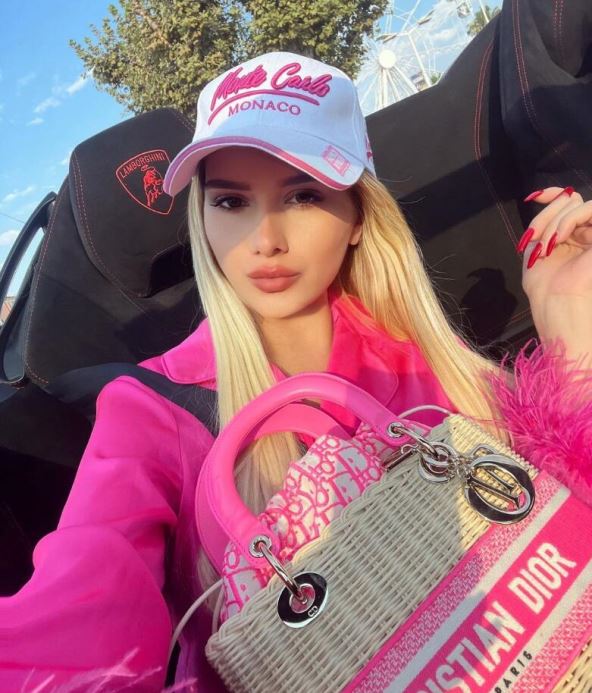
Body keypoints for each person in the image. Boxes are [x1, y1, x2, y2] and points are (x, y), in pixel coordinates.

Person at [1, 51, 591, 692]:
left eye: (303, 195)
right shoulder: (150, 407)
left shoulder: (419, 346)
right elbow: (76, 625)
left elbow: (561, 522)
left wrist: (567, 323)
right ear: (202, 220)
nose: (265, 239)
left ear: (359, 217)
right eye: (231, 201)